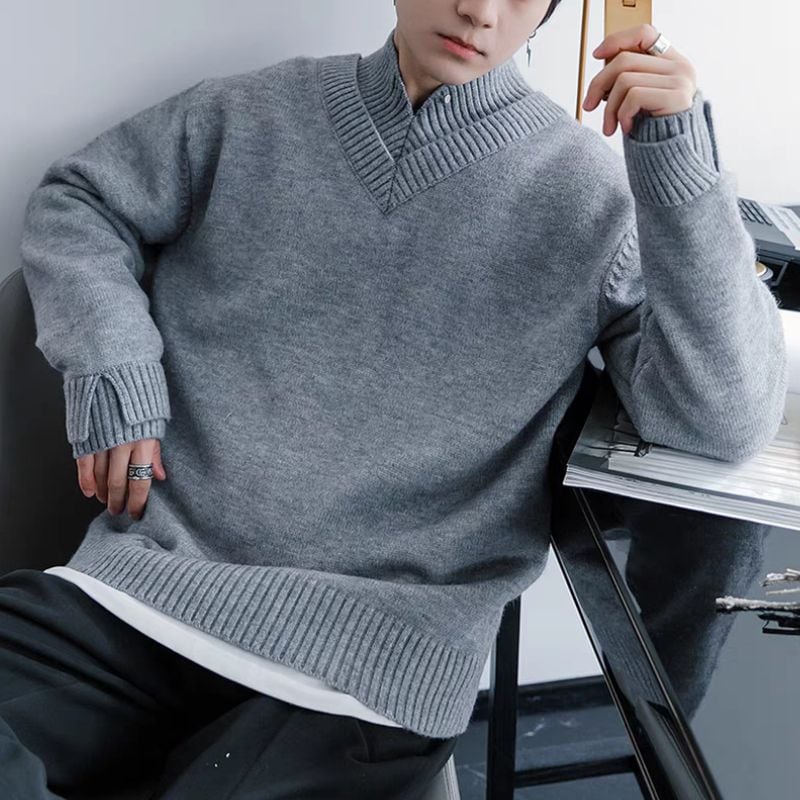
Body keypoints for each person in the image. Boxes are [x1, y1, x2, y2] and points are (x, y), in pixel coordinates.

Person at [7, 0, 787, 796]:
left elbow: (722, 418)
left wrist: (677, 160)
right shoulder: (246, 113)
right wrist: (114, 366)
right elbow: (78, 199)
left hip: (365, 670)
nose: (479, 10)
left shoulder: (591, 197)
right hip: (136, 598)